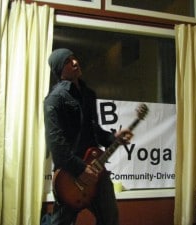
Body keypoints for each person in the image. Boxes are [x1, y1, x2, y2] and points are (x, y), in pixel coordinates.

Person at [43, 48, 132, 225]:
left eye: (74, 58)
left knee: (110, 219)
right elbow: (56, 144)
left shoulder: (88, 94)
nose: (75, 62)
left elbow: (94, 130)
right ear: (60, 71)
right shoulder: (54, 99)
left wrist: (114, 139)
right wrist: (81, 169)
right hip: (69, 176)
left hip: (96, 170)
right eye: (68, 61)